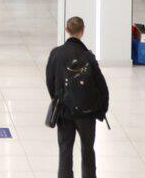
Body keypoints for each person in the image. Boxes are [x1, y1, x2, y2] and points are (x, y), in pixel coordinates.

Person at [46, 16, 110, 178]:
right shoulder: (88, 56)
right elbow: (101, 85)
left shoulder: (56, 53)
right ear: (83, 31)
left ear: (67, 30)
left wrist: (57, 98)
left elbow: (50, 81)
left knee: (65, 150)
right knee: (88, 149)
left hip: (65, 110)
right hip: (86, 112)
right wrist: (102, 109)